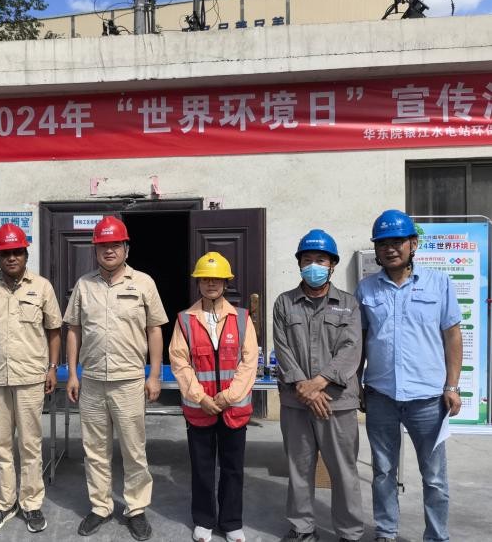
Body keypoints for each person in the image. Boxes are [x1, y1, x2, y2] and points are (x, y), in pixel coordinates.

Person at [356, 210, 462, 542]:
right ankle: (386, 532)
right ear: (376, 249)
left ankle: (437, 536)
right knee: (383, 472)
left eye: (397, 241)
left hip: (428, 399)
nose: (390, 249)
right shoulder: (366, 289)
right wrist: (357, 382)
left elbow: (452, 336)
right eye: (382, 243)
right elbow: (359, 341)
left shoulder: (439, 283)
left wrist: (452, 385)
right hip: (381, 396)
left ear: (413, 244)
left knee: (434, 478)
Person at [64, 216, 168, 541]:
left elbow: (154, 330)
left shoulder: (144, 283)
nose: (109, 250)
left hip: (129, 381)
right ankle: (101, 506)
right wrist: (72, 373)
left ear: (126, 248)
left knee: (134, 450)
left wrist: (154, 374)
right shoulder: (84, 285)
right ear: (95, 250)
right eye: (102, 245)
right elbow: (74, 330)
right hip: (92, 381)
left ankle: (136, 509)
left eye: (115, 245)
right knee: (94, 450)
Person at [273, 229, 364, 542]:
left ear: (332, 265)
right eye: (307, 259)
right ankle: (302, 528)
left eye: (321, 260)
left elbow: (351, 349)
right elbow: (282, 348)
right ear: (299, 264)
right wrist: (304, 386)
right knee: (299, 468)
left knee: (344, 470)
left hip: (337, 401)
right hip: (296, 401)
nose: (314, 265)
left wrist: (319, 383)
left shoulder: (349, 304)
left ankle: (350, 532)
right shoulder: (284, 303)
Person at [0, 223, 62, 534]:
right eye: (5, 253)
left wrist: (52, 367)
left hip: (30, 377)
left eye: (17, 252)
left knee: (30, 444)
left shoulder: (42, 287)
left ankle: (31, 503)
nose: (11, 257)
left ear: (26, 254)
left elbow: (53, 329)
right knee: (1, 444)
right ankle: (4, 502)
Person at [168, 252, 258, 542]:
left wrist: (228, 397)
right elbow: (179, 362)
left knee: (233, 468)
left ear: (226, 283)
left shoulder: (242, 318)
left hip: (233, 408)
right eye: (205, 278)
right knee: (202, 468)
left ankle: (231, 522)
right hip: (200, 408)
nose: (211, 283)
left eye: (216, 279)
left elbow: (249, 363)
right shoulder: (184, 320)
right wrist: (201, 398)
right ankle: (204, 520)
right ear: (198, 282)